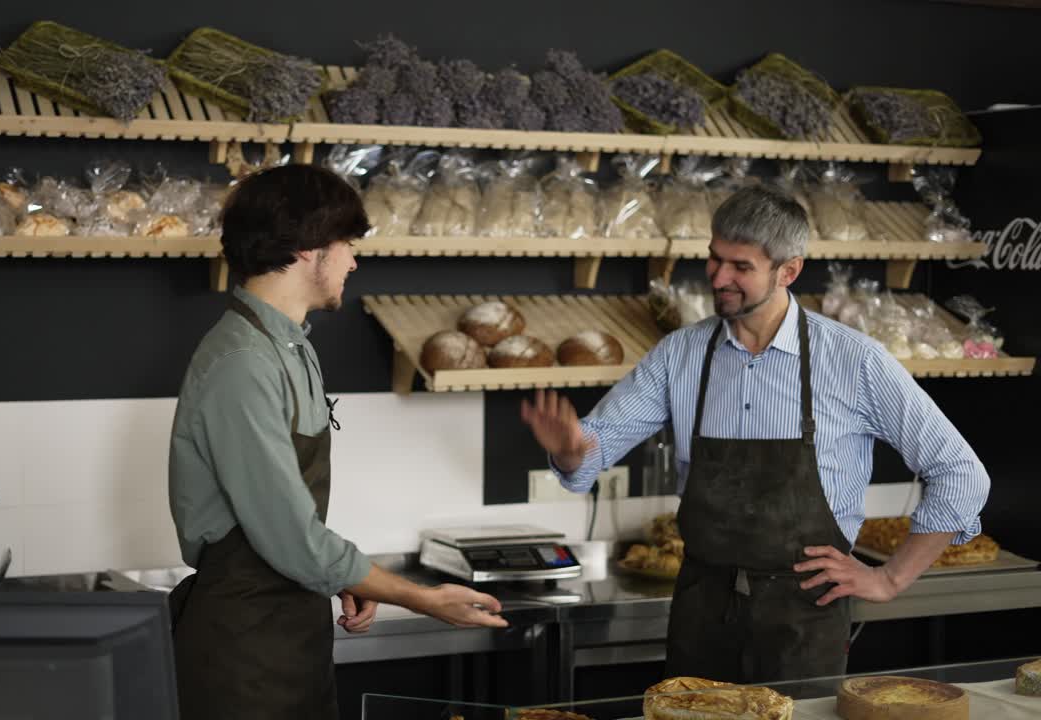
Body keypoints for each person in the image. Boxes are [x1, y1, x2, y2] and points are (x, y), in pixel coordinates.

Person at [521, 185, 989, 683]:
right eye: (714, 259)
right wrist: (573, 451)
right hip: (701, 611)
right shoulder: (681, 355)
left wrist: (890, 577)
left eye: (740, 267)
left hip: (805, 617)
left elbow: (961, 474)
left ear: (789, 271)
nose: (718, 278)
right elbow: (595, 446)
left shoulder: (854, 362)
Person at [168, 164, 507, 719]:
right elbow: (288, 533)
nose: (353, 259)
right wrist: (420, 597)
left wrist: (347, 575)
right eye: (346, 243)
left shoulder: (289, 347)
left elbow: (293, 524)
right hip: (240, 654)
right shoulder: (242, 363)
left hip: (288, 634)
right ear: (306, 249)